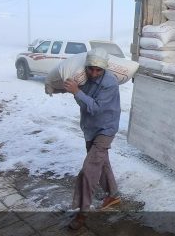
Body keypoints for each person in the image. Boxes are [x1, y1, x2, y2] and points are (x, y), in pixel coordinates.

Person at [63, 48, 121, 230]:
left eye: (99, 70)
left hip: (106, 129)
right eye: (91, 69)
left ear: (104, 69)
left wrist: (77, 92)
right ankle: (113, 195)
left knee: (88, 171)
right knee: (102, 163)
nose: (94, 73)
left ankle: (82, 212)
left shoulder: (110, 83)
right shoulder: (83, 78)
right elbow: (82, 102)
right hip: (90, 128)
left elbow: (95, 107)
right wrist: (74, 91)